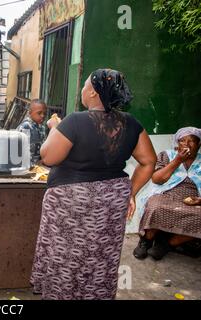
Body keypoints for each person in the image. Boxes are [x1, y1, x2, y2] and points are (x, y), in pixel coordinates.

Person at [30, 69, 157, 300]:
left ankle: (62, 294)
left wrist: (54, 128)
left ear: (92, 93)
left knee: (66, 254)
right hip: (110, 202)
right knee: (101, 254)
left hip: (72, 202)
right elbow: (149, 161)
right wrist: (131, 192)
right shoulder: (131, 123)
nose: (82, 89)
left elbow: (49, 157)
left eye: (85, 84)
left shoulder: (74, 121)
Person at [133, 127, 201, 260]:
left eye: (192, 141)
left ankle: (167, 244)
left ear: (199, 144)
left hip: (193, 198)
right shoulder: (167, 155)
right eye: (182, 141)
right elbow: (157, 179)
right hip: (165, 193)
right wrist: (177, 161)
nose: (186, 144)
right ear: (177, 143)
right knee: (156, 207)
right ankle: (146, 240)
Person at [16, 99, 48, 167]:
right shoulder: (26, 127)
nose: (42, 116)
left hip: (37, 165)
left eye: (44, 113)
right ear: (30, 112)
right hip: (26, 166)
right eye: (39, 113)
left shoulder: (41, 127)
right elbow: (20, 151)